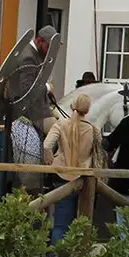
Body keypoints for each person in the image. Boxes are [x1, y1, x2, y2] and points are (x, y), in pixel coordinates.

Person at [43, 92, 99, 243]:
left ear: (72, 106)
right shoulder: (93, 129)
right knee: (82, 224)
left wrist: (50, 161)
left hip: (62, 176)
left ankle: (57, 256)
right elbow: (99, 150)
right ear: (87, 109)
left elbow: (47, 145)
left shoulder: (60, 124)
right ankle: (78, 255)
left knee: (60, 223)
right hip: (84, 178)